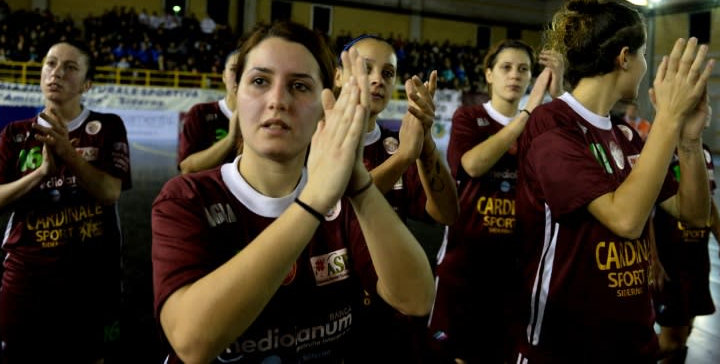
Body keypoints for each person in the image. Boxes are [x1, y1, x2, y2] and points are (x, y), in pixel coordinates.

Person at [150, 20, 435, 364]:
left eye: (299, 86)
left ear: (324, 103)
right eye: (259, 81)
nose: (278, 100)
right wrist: (311, 202)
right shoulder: (188, 197)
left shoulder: (345, 202)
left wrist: (358, 181)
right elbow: (191, 343)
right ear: (236, 95)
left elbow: (416, 299)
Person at [512, 0, 715, 363]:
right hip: (567, 343)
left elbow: (694, 213)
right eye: (641, 56)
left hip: (631, 336)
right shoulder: (551, 124)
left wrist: (689, 139)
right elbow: (624, 219)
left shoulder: (625, 134)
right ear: (624, 57)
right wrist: (668, 117)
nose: (644, 67)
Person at [0, 39, 132, 364]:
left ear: (87, 83)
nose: (57, 73)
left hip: (92, 279)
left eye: (70, 67)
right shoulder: (15, 134)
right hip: (27, 277)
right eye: (50, 64)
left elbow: (109, 193)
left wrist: (69, 156)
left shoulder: (107, 127)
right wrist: (41, 173)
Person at [427, 40, 564, 364]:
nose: (515, 75)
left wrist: (557, 95)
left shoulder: (538, 127)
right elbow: (472, 164)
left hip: (514, 270)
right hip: (465, 264)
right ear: (489, 74)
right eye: (506, 67)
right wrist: (527, 113)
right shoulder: (468, 117)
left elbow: (568, 159)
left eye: (523, 69)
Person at [334, 34, 460, 363]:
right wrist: (404, 157)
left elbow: (446, 213)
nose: (377, 79)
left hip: (391, 310)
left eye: (388, 73)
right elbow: (335, 204)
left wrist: (426, 143)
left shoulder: (396, 144)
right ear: (338, 76)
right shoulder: (313, 141)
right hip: (326, 314)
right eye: (365, 68)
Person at [653, 104, 720, 363]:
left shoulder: (705, 153)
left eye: (708, 103)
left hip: (697, 260)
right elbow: (646, 209)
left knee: (685, 333)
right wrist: (652, 258)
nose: (707, 109)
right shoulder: (662, 151)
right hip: (670, 261)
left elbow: (710, 203)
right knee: (670, 340)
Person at [177, 49, 241, 173]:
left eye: (245, 70)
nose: (239, 76)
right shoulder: (199, 114)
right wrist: (230, 140)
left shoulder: (264, 117)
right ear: (223, 76)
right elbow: (186, 168)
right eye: (233, 69)